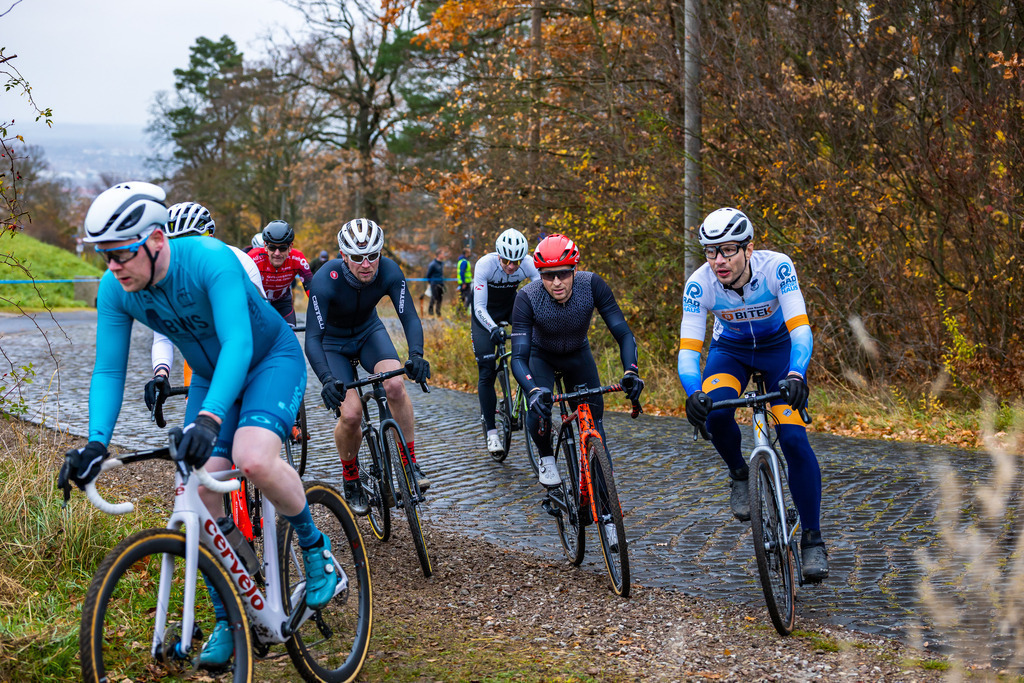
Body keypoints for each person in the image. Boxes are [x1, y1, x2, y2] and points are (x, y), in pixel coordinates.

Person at [59, 181, 338, 668]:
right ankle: (233, 610)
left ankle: (317, 548)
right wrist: (95, 444)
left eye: (121, 253)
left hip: (267, 359)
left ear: (156, 240)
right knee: (197, 494)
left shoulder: (211, 260)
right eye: (105, 256)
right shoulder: (116, 288)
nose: (113, 267)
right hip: (212, 376)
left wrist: (209, 419)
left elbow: (239, 344)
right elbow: (108, 370)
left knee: (252, 457)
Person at [678, 207, 827, 582]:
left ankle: (812, 538)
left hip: (779, 350)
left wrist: (796, 372)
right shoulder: (700, 284)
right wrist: (693, 391)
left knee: (793, 437)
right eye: (710, 252)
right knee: (714, 413)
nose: (718, 261)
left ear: (749, 248)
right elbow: (688, 349)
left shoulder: (776, 267)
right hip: (731, 352)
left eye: (727, 250)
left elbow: (800, 328)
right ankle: (739, 473)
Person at [510, 233, 645, 546]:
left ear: (574, 270)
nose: (557, 282)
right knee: (539, 408)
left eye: (563, 274)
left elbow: (623, 334)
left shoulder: (591, 285)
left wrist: (630, 372)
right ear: (539, 275)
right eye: (548, 276)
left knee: (596, 433)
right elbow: (518, 357)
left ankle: (608, 517)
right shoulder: (527, 297)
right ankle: (546, 457)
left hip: (577, 356)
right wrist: (532, 391)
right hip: (540, 357)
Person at [304, 218, 432, 515]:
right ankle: (350, 476)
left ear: (381, 253)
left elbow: (410, 317)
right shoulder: (325, 279)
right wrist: (326, 379)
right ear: (343, 255)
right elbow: (312, 337)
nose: (366, 264)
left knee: (396, 385)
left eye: (373, 255)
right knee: (350, 415)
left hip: (368, 333)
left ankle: (410, 462)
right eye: (358, 257)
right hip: (332, 344)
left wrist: (416, 355)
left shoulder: (389, 271)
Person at [149, 202, 266, 391]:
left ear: (210, 236)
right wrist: (161, 375)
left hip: (249, 346)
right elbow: (163, 336)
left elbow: (263, 324)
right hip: (202, 354)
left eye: (191, 241)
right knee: (198, 418)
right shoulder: (165, 278)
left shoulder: (240, 262)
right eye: (174, 244)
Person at [472, 229, 540, 454]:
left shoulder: (529, 264)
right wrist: (492, 328)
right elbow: (479, 306)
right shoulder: (485, 264)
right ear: (498, 254)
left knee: (536, 340)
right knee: (487, 369)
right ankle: (491, 432)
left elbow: (540, 295)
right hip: (485, 315)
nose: (511, 266)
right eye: (506, 260)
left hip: (511, 309)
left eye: (516, 262)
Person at [248, 220, 313, 324]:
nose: (277, 253)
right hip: (259, 303)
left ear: (290, 247)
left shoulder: (298, 259)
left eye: (282, 248)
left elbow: (311, 289)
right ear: (265, 246)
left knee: (290, 338)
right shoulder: (252, 258)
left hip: (283, 304)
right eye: (272, 247)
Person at [425, 249, 445, 317]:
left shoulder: (442, 263)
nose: (444, 255)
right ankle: (430, 312)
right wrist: (431, 282)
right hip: (434, 283)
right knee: (434, 297)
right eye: (442, 254)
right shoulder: (433, 264)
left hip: (441, 283)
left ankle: (438, 312)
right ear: (439, 255)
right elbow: (428, 275)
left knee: (440, 298)